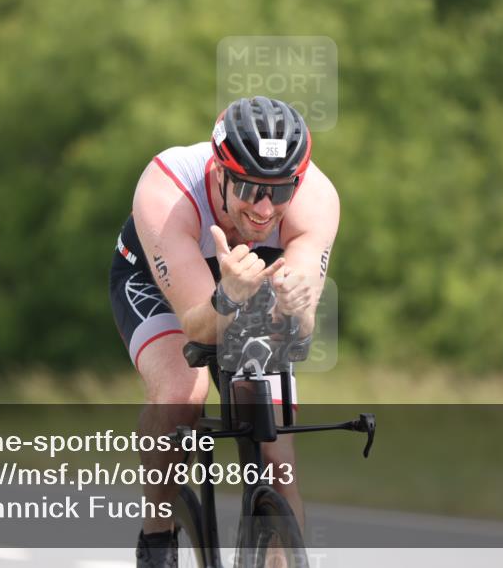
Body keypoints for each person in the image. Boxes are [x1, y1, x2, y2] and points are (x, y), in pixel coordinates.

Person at [109, 96, 339, 567]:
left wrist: (297, 309)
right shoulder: (167, 189)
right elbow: (197, 325)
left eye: (278, 192)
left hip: (250, 278)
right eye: (251, 188)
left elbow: (300, 328)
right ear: (219, 173)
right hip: (161, 282)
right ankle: (157, 539)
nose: (263, 207)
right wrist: (228, 295)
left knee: (277, 455)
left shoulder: (315, 199)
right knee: (181, 393)